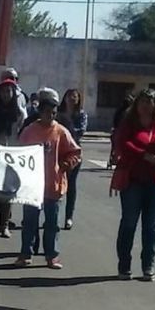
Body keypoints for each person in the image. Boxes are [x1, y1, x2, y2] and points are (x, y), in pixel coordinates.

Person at [113, 88, 155, 282]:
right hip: (133, 179)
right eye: (142, 101)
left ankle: (148, 265)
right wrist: (146, 156)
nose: (145, 105)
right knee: (129, 222)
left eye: (150, 102)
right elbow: (122, 144)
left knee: (151, 225)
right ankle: (124, 266)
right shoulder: (129, 123)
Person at [15, 88, 81, 270]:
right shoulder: (29, 131)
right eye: (46, 111)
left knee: (52, 223)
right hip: (32, 186)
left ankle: (52, 255)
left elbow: (75, 152)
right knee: (29, 221)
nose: (50, 115)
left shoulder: (61, 131)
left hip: (54, 184)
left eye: (53, 112)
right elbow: (18, 153)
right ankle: (25, 253)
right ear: (40, 111)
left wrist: (67, 164)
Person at [0, 79, 27, 238]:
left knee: (9, 191)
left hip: (12, 155)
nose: (6, 95)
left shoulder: (19, 113)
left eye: (9, 91)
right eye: (3, 91)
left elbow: (22, 133)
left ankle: (3, 225)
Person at [57, 89, 88, 230]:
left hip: (74, 152)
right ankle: (52, 216)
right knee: (54, 184)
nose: (72, 99)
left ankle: (69, 216)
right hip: (57, 151)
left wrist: (64, 132)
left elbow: (80, 131)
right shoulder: (58, 112)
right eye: (69, 96)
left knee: (71, 185)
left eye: (75, 97)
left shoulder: (81, 114)